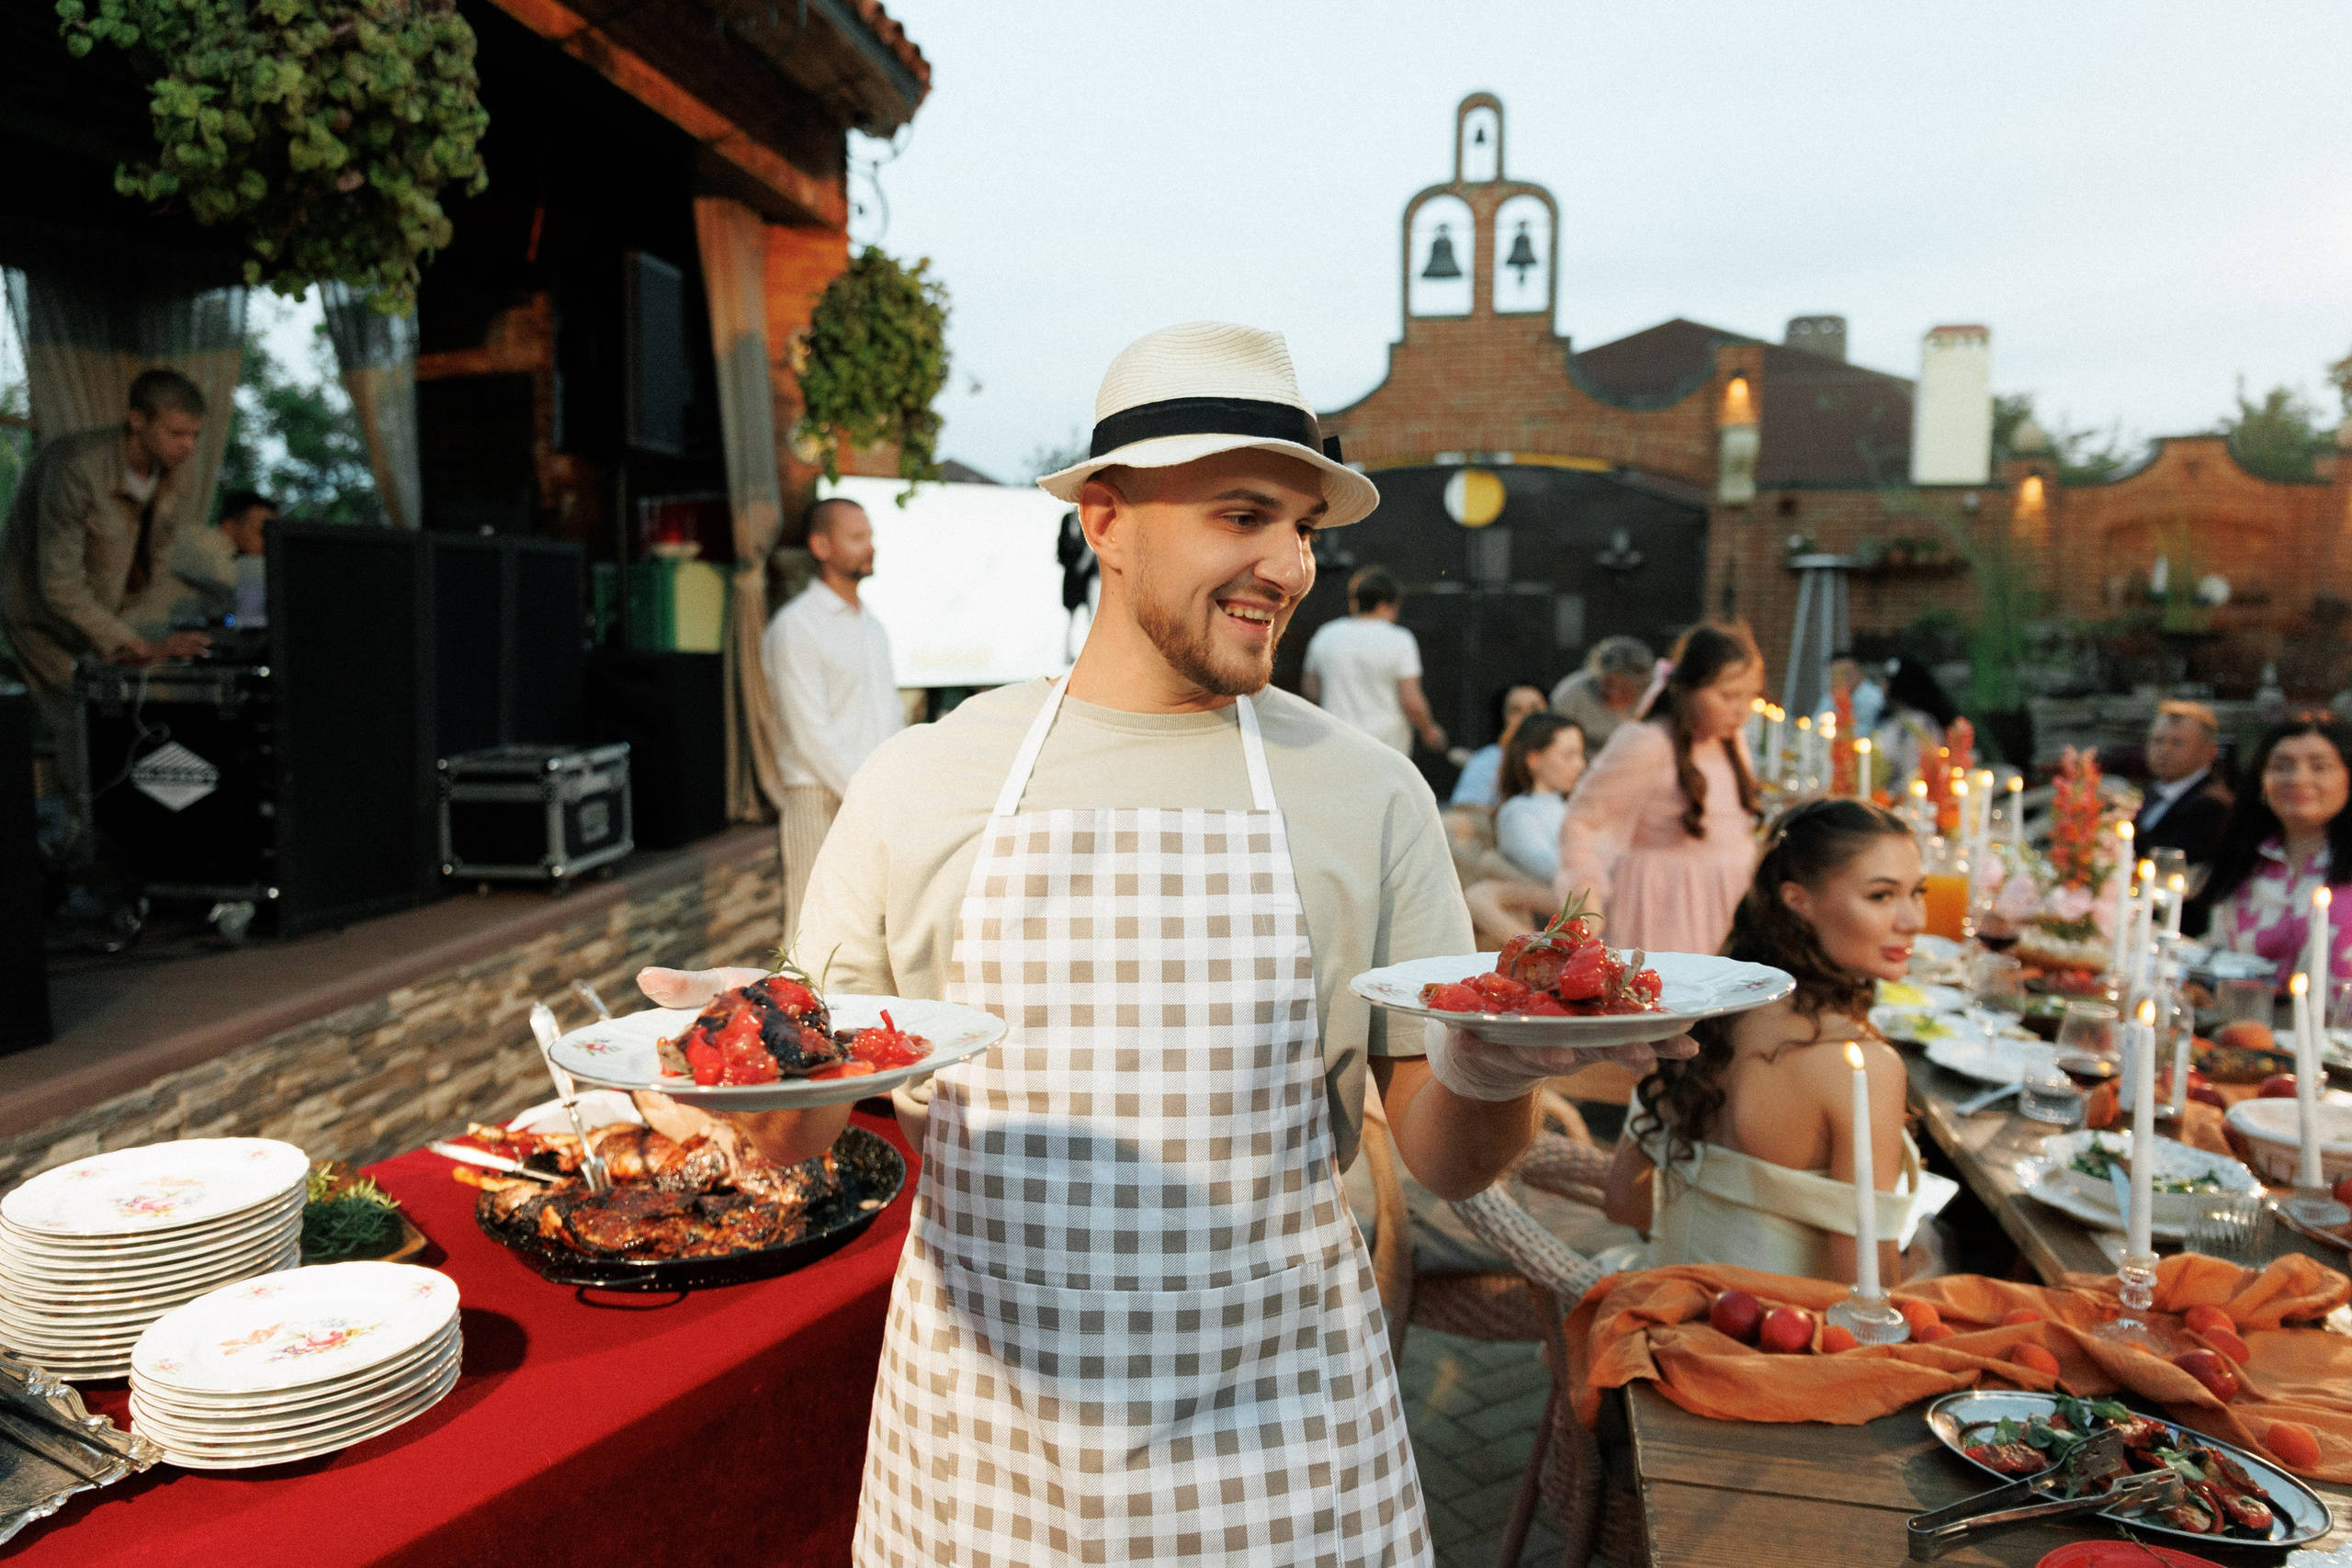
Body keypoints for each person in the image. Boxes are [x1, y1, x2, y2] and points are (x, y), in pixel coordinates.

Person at [639, 321, 1690, 1566]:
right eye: (1244, 515)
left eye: (1305, 526)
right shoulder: (918, 782)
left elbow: (1446, 1160)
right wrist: (743, 1084)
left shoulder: (1370, 792)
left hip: (1284, 1445)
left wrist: (1500, 1062)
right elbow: (819, 1114)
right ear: (1108, 517)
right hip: (989, 1449)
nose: (1290, 564)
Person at [1603, 799, 1953, 1282]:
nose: (1914, 920)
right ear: (1798, 901)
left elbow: (1624, 1203)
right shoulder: (1860, 1066)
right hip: (1774, 1341)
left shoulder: (1703, 1016)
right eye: (1881, 896)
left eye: (1917, 892)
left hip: (1661, 1300)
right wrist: (1928, 1265)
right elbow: (1869, 1289)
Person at [0, 368, 212, 807]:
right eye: (176, 433)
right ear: (137, 420)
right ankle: (81, 844)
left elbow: (148, 570)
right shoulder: (77, 467)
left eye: (194, 435)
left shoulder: (170, 475)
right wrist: (128, 641)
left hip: (101, 615)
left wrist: (142, 640)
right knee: (81, 724)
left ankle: (116, 832)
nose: (188, 446)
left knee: (125, 714)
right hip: (40, 618)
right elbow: (57, 586)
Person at [1555, 623, 1764, 954]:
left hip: (1726, 903)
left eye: (1750, 696)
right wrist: (1586, 893)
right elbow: (1581, 819)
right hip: (1666, 907)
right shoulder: (1648, 743)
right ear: (1688, 689)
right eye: (1728, 696)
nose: (1741, 710)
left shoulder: (1730, 742)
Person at [761, 495, 904, 942]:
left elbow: (890, 718)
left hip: (873, 797)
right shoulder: (797, 626)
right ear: (821, 546)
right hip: (819, 797)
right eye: (857, 537)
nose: (870, 546)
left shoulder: (872, 627)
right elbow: (810, 733)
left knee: (871, 931)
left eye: (870, 536)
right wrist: (868, 797)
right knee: (813, 931)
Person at [2197, 713, 2352, 985]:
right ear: (2261, 783)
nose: (2297, 779)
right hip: (2246, 1024)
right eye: (2282, 766)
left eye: (2319, 767)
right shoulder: (2242, 864)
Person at [1301, 565, 1446, 755]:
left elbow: (1311, 690)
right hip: (1387, 749)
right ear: (1383, 605)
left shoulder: (1326, 634)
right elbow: (1411, 701)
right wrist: (1429, 730)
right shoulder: (1400, 639)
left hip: (1337, 745)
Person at [2135, 699, 2233, 869]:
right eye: (2158, 740)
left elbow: (2171, 861)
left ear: (2209, 752)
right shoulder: (2149, 794)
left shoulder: (2212, 804)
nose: (2164, 750)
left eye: (2177, 742)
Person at [1493, 713, 1585, 884]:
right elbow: (1547, 868)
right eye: (1568, 755)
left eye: (1580, 754)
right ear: (1534, 759)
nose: (1580, 765)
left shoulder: (1574, 805)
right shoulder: (1517, 812)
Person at [164, 488, 274, 626]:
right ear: (229, 527)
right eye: (262, 532)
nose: (269, 542)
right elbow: (225, 576)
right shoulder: (201, 541)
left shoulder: (239, 559)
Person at [1449, 680, 1547, 807]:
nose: (1526, 717)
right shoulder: (1490, 758)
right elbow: (1464, 809)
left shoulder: (1566, 755)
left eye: (1534, 709)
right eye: (1516, 710)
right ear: (1503, 717)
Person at [1549, 634, 1654, 753]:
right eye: (1608, 684)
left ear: (1643, 687)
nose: (1614, 693)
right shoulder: (1573, 692)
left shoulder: (1650, 702)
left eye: (1624, 688)